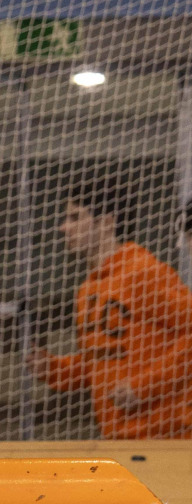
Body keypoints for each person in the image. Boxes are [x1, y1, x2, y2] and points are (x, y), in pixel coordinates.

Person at [28, 178, 192, 438]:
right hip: (118, 435)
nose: (63, 227)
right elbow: (101, 359)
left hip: (165, 435)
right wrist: (55, 369)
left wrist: (143, 387)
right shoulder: (87, 290)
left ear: (106, 222)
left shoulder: (143, 273)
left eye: (75, 218)